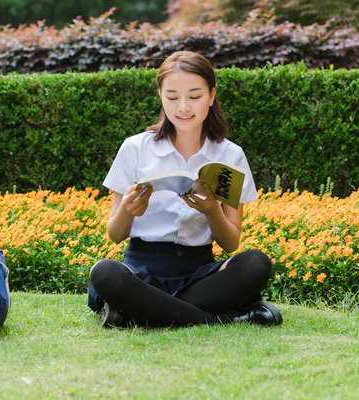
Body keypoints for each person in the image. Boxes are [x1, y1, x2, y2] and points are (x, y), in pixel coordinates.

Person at [88, 51, 282, 328]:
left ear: (212, 96)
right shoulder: (135, 148)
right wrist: (129, 212)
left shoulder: (230, 155)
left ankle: (137, 312)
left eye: (194, 96)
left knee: (256, 264)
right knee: (106, 273)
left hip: (201, 275)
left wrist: (212, 210)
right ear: (160, 96)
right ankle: (227, 318)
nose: (183, 107)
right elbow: (115, 235)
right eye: (172, 97)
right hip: (141, 273)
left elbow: (231, 243)